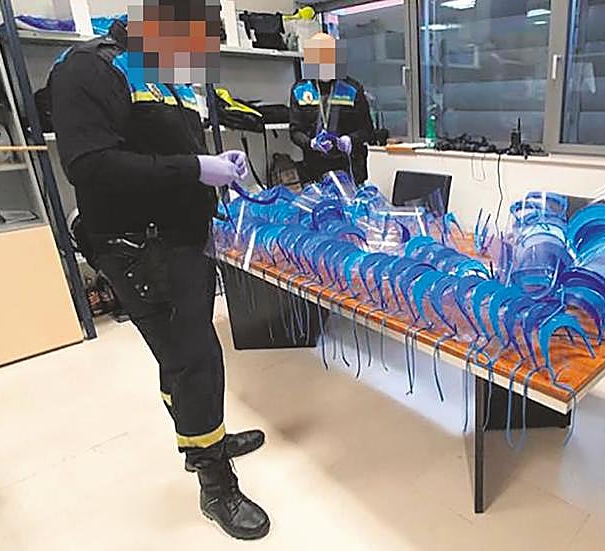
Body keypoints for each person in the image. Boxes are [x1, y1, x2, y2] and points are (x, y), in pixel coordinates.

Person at [47, 4, 270, 541]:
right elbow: (89, 165)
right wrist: (196, 168)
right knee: (196, 360)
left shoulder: (168, 77)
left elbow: (168, 149)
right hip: (141, 248)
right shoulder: (89, 69)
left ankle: (204, 437)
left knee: (182, 358)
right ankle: (215, 483)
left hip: (185, 240)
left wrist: (217, 165)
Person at [289, 32, 375, 184]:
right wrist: (310, 143)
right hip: (314, 169)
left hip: (350, 166)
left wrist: (350, 140)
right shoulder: (300, 90)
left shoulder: (352, 89)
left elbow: (367, 129)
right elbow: (295, 131)